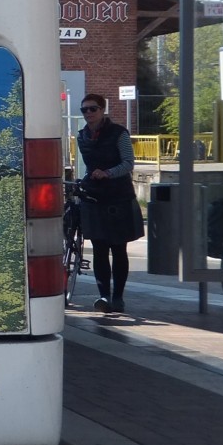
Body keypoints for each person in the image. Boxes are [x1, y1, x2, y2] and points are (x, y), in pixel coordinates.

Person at [76, 93, 143, 314]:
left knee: (118, 248)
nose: (88, 114)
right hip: (95, 197)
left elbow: (128, 163)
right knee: (98, 248)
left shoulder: (119, 133)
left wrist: (108, 173)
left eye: (92, 109)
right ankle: (103, 294)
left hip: (118, 196)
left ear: (103, 110)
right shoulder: (82, 136)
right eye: (84, 110)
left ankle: (118, 297)